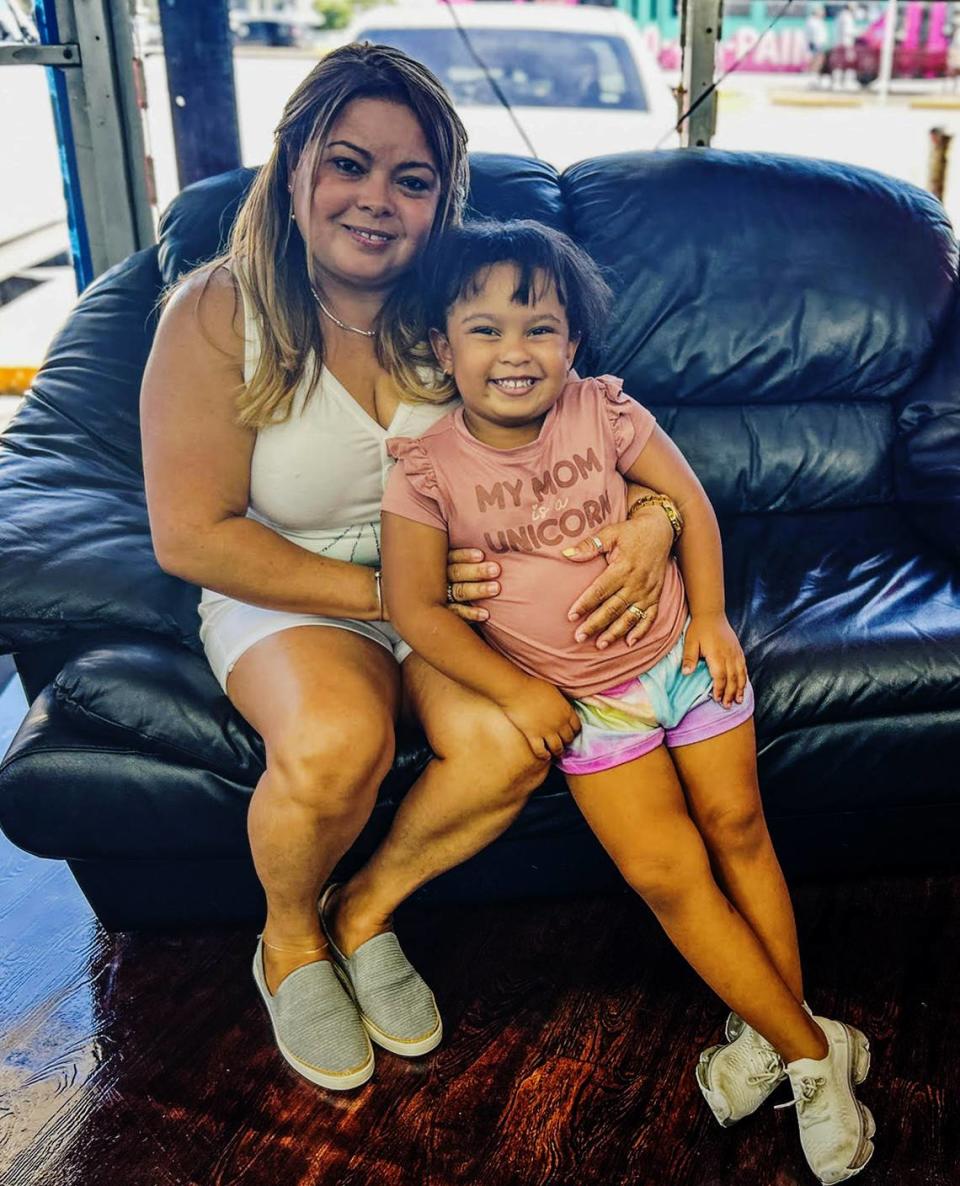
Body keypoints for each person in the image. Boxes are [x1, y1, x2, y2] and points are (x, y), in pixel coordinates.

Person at [141, 44, 677, 1091]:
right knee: (340, 736)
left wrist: (656, 516)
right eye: (348, 164)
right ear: (294, 170)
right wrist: (388, 597)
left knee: (515, 734)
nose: (375, 199)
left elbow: (607, 434)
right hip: (290, 587)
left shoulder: (470, 307)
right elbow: (193, 535)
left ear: (445, 198)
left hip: (465, 588)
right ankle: (290, 938)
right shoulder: (217, 310)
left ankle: (365, 908)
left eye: (412, 178)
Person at [381, 220, 875, 1184]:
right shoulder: (427, 468)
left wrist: (716, 622)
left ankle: (782, 1042)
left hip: (682, 664)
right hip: (589, 706)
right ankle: (819, 1048)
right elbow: (411, 605)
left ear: (572, 342)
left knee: (739, 831)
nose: (515, 353)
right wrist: (516, 689)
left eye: (540, 328)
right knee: (668, 877)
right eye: (484, 330)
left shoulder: (604, 411)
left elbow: (686, 501)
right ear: (443, 349)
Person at [805, 4, 829, 87]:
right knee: (816, 62)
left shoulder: (819, 21)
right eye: (821, 11)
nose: (823, 13)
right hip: (815, 44)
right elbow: (811, 35)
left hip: (819, 44)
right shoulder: (812, 21)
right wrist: (813, 44)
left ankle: (815, 79)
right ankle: (813, 79)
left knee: (819, 62)